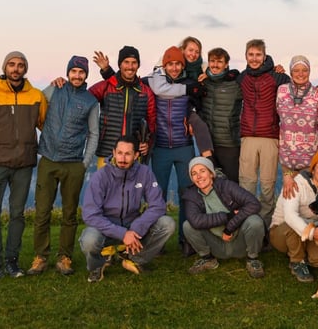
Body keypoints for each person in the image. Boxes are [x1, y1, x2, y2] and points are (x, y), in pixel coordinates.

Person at [0, 51, 48, 284]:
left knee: (17, 215)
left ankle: (12, 261)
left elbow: (46, 125)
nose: (16, 68)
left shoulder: (36, 96)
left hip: (24, 164)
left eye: (20, 65)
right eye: (12, 64)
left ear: (25, 69)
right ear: (5, 67)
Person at [27, 55, 99, 276]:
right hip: (48, 160)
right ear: (67, 73)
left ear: (86, 75)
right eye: (73, 71)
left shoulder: (90, 101)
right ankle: (40, 257)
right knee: (42, 212)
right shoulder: (54, 90)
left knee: (69, 214)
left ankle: (64, 257)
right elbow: (35, 102)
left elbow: (94, 133)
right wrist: (51, 84)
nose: (77, 75)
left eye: (81, 72)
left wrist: (85, 163)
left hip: (73, 164)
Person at [79, 135, 176, 283]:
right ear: (114, 152)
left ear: (136, 155)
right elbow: (90, 214)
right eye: (119, 153)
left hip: (133, 224)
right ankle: (96, 266)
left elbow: (158, 205)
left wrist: (136, 228)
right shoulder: (101, 176)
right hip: (106, 227)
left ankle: (133, 258)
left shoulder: (144, 173)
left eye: (127, 154)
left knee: (167, 224)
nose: (122, 158)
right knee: (89, 240)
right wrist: (122, 234)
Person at [146, 45, 209, 253]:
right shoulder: (153, 82)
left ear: (183, 66)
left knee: (187, 194)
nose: (174, 68)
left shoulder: (190, 83)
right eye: (170, 64)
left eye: (178, 64)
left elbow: (200, 104)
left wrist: (193, 117)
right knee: (158, 195)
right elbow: (130, 80)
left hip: (184, 146)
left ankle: (186, 238)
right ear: (164, 65)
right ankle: (158, 241)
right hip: (161, 147)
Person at [181, 157, 266, 278]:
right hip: (216, 245)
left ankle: (252, 259)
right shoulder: (191, 195)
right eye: (194, 173)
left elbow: (254, 204)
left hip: (239, 241)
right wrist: (227, 216)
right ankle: (208, 259)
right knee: (188, 225)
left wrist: (229, 228)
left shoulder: (226, 186)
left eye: (202, 171)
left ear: (211, 173)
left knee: (255, 221)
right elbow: (195, 221)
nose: (198, 176)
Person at [238, 38, 290, 226]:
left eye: (258, 55)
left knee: (268, 185)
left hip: (270, 136)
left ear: (264, 55)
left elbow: (293, 88)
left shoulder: (278, 77)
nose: (254, 58)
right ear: (245, 56)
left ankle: (266, 226)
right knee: (247, 184)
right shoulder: (242, 77)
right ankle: (247, 224)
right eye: (250, 55)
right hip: (248, 136)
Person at [269, 149, 318, 283]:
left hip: (310, 230)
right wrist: (313, 233)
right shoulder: (296, 184)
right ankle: (297, 261)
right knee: (293, 224)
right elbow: (290, 216)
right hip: (282, 231)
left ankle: (304, 252)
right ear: (313, 169)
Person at [277, 55, 318, 199]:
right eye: (296, 70)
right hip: (287, 160)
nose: (300, 74)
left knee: (310, 200)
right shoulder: (281, 91)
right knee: (289, 198)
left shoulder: (317, 93)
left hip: (312, 160)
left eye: (304, 70)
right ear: (290, 72)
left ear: (309, 72)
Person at [88, 46, 156, 168]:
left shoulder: (146, 92)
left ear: (138, 65)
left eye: (134, 62)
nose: (130, 66)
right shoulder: (105, 87)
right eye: (126, 62)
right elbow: (82, 99)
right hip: (108, 152)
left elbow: (152, 124)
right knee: (103, 182)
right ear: (120, 64)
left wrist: (147, 143)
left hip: (133, 155)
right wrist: (65, 87)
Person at [199, 47, 243, 182]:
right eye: (212, 61)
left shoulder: (235, 84)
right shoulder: (203, 82)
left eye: (219, 62)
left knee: (231, 183)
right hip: (208, 143)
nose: (215, 65)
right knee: (210, 183)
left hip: (229, 143)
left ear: (226, 64)